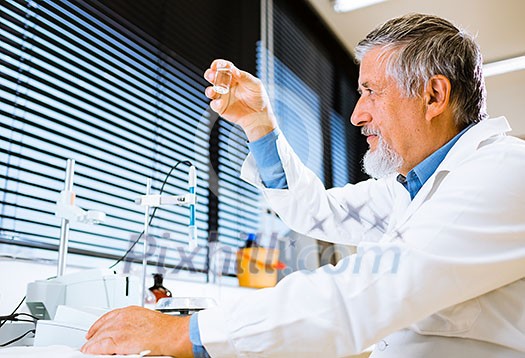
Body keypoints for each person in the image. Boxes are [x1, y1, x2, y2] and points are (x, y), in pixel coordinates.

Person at [81, 13, 525, 357]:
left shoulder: (501, 174)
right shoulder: (412, 187)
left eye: (372, 92)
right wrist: (259, 124)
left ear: (433, 96)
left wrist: (183, 332)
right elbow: (319, 211)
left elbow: (364, 292)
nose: (357, 115)